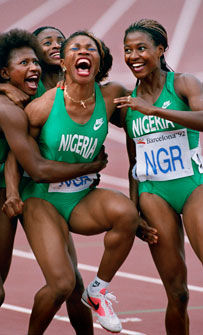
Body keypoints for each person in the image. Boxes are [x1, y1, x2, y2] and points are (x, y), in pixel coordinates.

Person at [4, 30, 153, 334]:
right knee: (62, 284)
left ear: (99, 62)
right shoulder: (44, 105)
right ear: (64, 62)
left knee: (126, 213)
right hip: (42, 198)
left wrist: (138, 192)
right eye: (75, 48)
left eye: (91, 49)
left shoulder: (111, 96)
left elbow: (139, 129)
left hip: (81, 198)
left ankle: (98, 291)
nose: (83, 52)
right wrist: (10, 191)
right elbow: (14, 153)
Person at [0, 28, 107, 335]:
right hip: (2, 193)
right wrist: (92, 166)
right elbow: (39, 167)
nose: (55, 48)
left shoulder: (61, 93)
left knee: (67, 283)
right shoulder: (10, 104)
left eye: (61, 42)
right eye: (45, 45)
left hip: (41, 195)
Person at [114, 19, 203, 335]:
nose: (133, 56)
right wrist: (134, 210)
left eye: (141, 48)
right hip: (154, 194)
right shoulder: (128, 105)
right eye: (128, 50)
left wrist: (157, 111)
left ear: (161, 50)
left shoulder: (183, 84)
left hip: (193, 186)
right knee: (177, 293)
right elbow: (133, 162)